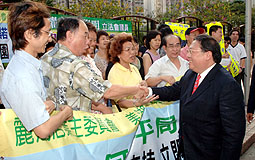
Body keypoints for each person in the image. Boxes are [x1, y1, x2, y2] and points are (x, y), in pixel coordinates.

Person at [148, 34, 245, 159]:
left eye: (191, 52)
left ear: (207, 55)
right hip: (189, 150)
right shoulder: (191, 74)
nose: (187, 55)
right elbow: (173, 91)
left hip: (210, 154)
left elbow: (234, 134)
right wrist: (149, 91)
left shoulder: (227, 85)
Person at [41, 17, 147, 113]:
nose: (88, 42)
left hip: (56, 127)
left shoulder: (45, 58)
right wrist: (136, 89)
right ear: (70, 36)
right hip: (77, 126)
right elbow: (107, 91)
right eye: (85, 36)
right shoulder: (75, 65)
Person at [0, 2, 73, 139]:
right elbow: (43, 130)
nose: (50, 38)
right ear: (30, 34)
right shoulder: (21, 75)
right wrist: (66, 113)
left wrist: (51, 103)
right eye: (47, 32)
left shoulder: (31, 66)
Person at [108, 33, 157, 110]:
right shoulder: (115, 72)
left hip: (139, 112)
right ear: (118, 54)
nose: (132, 52)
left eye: (133, 49)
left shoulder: (134, 68)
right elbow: (120, 101)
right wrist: (136, 103)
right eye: (128, 50)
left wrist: (144, 85)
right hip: (125, 117)